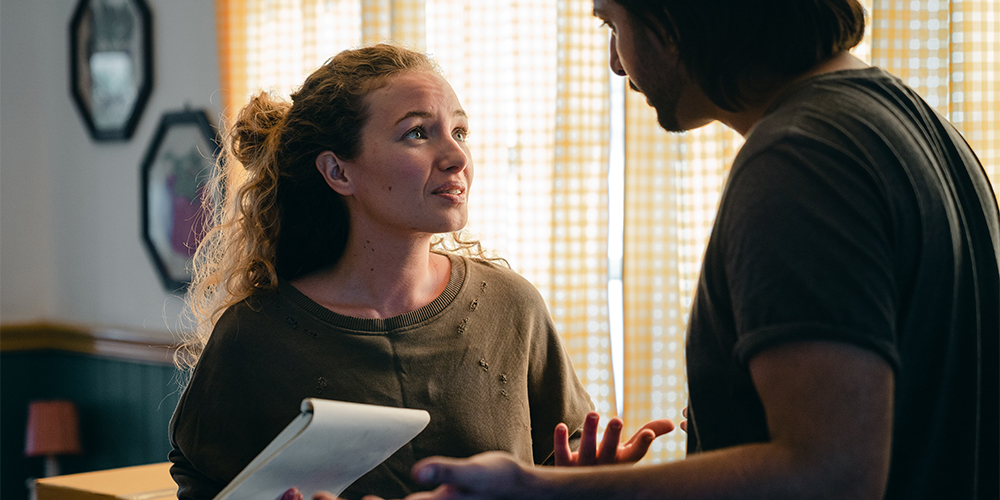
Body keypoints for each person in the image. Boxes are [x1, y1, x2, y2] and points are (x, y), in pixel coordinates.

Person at [376, 1, 1000, 499]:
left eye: (613, 24)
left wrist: (541, 488)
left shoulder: (801, 158)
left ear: (674, 18)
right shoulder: (918, 124)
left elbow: (831, 474)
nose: (619, 64)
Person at [167, 44, 671, 500]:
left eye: (459, 132)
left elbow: (562, 461)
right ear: (338, 172)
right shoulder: (254, 336)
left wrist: (587, 481)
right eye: (417, 133)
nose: (456, 157)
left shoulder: (513, 307)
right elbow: (202, 487)